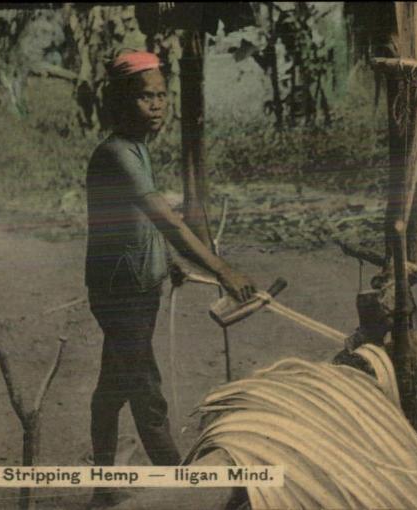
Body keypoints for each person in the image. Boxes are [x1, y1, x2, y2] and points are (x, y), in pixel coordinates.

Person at [85, 50, 255, 506]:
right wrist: (220, 269)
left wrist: (168, 264)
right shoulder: (117, 154)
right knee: (146, 391)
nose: (157, 105)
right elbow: (167, 222)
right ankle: (186, 486)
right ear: (121, 103)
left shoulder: (135, 150)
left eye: (161, 96)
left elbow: (135, 226)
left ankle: (103, 489)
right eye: (144, 97)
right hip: (122, 294)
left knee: (113, 389)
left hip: (136, 288)